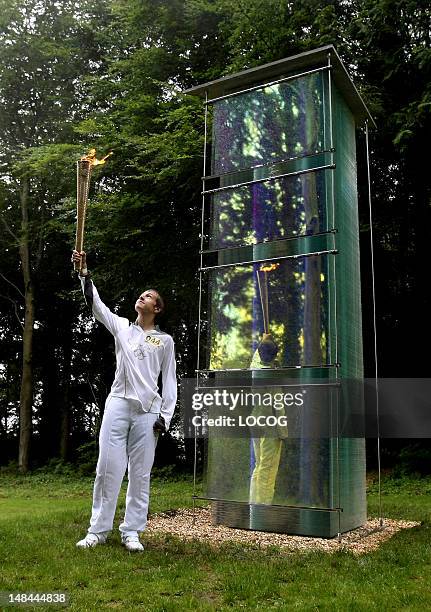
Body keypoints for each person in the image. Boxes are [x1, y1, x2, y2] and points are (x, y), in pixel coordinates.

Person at [72, 250, 177, 552]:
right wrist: (84, 273)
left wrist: (166, 416)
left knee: (140, 473)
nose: (142, 298)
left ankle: (132, 532)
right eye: (141, 295)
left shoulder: (164, 341)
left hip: (148, 412)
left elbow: (169, 380)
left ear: (157, 308)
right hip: (118, 404)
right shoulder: (121, 327)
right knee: (107, 468)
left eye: (148, 296)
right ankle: (98, 531)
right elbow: (96, 305)